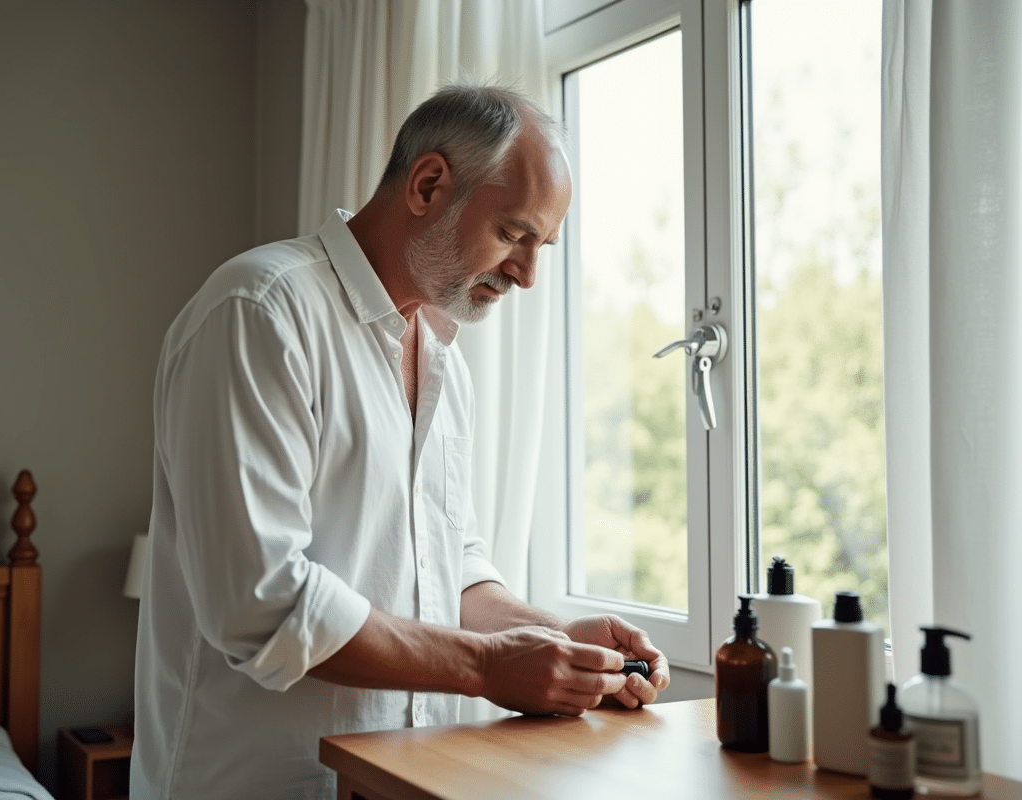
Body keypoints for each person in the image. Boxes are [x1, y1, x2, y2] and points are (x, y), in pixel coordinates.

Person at [130, 83, 671, 800]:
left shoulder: (446, 360)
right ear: (428, 184)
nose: (528, 274)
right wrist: (485, 667)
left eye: (542, 246)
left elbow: (448, 561)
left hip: (404, 783)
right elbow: (261, 604)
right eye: (514, 234)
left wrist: (555, 642)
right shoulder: (260, 314)